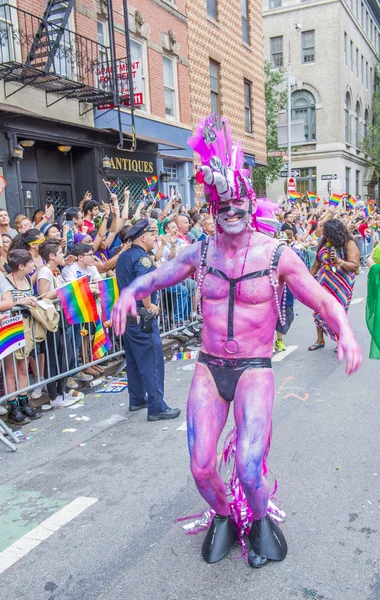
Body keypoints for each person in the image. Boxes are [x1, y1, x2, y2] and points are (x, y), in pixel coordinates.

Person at [111, 116, 361, 568]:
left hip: (253, 370)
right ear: (212, 206)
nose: (229, 209)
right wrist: (129, 291)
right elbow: (157, 276)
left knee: (248, 465)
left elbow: (322, 299)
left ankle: (262, 519)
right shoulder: (199, 253)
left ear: (248, 201)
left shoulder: (276, 255)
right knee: (202, 467)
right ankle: (224, 516)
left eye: (236, 201)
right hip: (209, 367)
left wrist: (344, 331)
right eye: (220, 203)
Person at [115, 218, 180, 421]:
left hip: (128, 315)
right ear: (143, 237)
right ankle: (156, 406)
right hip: (142, 315)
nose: (155, 237)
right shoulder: (142, 259)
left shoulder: (124, 256)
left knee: (133, 360)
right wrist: (150, 305)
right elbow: (144, 284)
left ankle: (137, 399)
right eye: (152, 234)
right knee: (152, 361)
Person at [37, 239, 83, 407]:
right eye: (60, 253)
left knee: (66, 355)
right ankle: (54, 395)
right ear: (51, 255)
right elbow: (43, 296)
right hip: (52, 320)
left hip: (61, 317)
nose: (64, 255)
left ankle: (61, 392)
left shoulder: (54, 271)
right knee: (54, 358)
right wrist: (64, 290)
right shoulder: (44, 272)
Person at [308, 219, 360, 351]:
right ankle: (320, 340)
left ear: (333, 232)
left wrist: (339, 261)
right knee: (319, 310)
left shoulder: (349, 243)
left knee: (338, 312)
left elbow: (354, 266)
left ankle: (341, 341)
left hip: (342, 283)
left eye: (326, 231)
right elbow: (317, 262)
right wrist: (307, 278)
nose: (323, 233)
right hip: (324, 281)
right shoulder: (324, 242)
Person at [4, 249, 41, 424]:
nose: (33, 265)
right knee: (10, 370)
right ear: (21, 266)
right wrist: (18, 302)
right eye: (31, 262)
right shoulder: (4, 280)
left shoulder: (27, 279)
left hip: (27, 328)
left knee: (23, 368)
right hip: (10, 330)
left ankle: (24, 402)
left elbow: (30, 297)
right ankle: (13, 407)